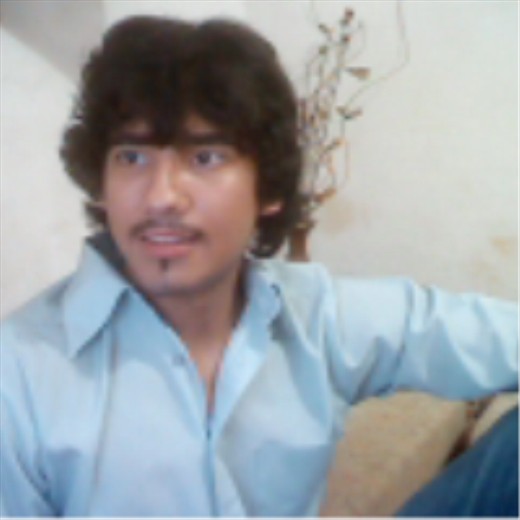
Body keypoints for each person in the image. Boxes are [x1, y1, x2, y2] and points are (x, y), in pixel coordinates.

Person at [0, 15, 517, 517]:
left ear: (268, 188)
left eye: (205, 157)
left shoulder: (315, 316)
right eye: (132, 157)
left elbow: (480, 335)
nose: (160, 197)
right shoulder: (20, 370)